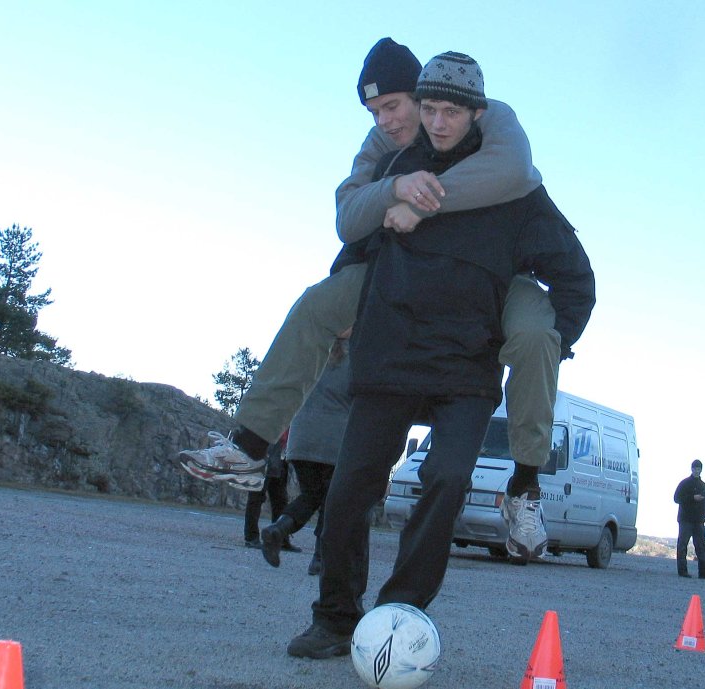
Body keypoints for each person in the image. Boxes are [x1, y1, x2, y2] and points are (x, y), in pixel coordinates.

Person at [178, 37, 559, 562]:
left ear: (427, 98)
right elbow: (347, 218)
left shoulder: (489, 120)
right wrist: (396, 188)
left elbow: (513, 171)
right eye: (375, 111)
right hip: (404, 278)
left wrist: (423, 205)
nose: (385, 120)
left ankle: (525, 484)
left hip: (491, 277)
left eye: (395, 107)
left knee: (538, 334)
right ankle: (248, 445)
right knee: (316, 305)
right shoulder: (384, 144)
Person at [286, 49, 595, 659]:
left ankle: (400, 615)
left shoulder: (515, 192)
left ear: (476, 113)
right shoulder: (398, 164)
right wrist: (352, 316)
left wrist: (543, 347)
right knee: (351, 487)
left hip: (465, 372)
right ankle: (334, 617)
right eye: (428, 107)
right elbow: (353, 247)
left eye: (452, 110)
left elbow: (575, 276)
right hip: (391, 358)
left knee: (448, 479)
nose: (439, 121)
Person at [260, 337, 352, 575]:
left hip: (301, 438)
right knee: (331, 501)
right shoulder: (354, 359)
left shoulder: (312, 355)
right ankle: (320, 558)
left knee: (311, 495)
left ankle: (279, 529)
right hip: (334, 439)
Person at [241, 432, 300, 554]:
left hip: (280, 455)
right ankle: (251, 538)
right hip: (264, 451)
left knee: (280, 499)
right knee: (257, 496)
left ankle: (281, 539)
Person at [673, 459, 705, 580]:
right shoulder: (685, 483)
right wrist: (692, 498)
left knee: (701, 546)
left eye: (699, 469)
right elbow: (676, 498)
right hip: (685, 519)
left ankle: (704, 572)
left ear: (701, 470)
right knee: (682, 545)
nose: (697, 471)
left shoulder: (703, 486)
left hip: (699, 520)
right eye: (695, 468)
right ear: (691, 469)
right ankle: (682, 571)